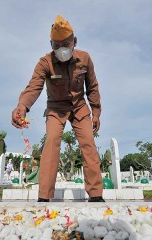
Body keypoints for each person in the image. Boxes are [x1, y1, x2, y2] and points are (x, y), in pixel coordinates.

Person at [11, 15, 104, 202]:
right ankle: (44, 197)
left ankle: (95, 195)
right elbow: (34, 86)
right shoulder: (44, 63)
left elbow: (92, 87)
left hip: (79, 107)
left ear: (74, 42)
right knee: (52, 142)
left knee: (88, 144)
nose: (62, 49)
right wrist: (22, 106)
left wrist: (96, 112)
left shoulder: (85, 59)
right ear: (51, 44)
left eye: (66, 44)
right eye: (56, 45)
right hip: (55, 108)